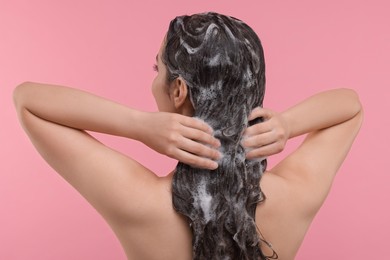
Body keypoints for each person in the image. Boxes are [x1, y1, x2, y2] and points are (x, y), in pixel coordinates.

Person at [13, 12, 363, 260]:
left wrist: (137, 124)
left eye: (158, 69)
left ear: (178, 90)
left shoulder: (138, 200)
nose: (154, 80)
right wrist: (288, 123)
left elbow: (27, 99)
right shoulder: (296, 193)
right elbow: (351, 105)